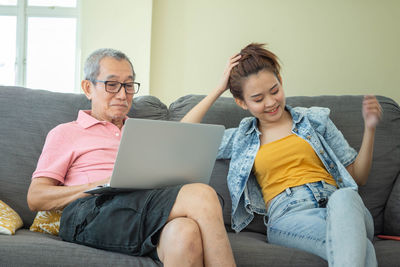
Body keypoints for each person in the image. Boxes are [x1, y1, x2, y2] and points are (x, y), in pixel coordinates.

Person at [27, 48, 236, 267]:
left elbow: (183, 132)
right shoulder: (67, 132)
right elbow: (36, 197)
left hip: (141, 208)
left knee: (184, 233)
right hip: (91, 211)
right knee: (202, 196)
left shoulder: (140, 132)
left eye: (128, 85)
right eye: (111, 84)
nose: (122, 94)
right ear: (88, 88)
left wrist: (220, 88)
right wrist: (101, 184)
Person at [181, 43, 382, 266]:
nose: (271, 102)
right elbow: (183, 136)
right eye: (258, 99)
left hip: (342, 207)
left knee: (345, 196)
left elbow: (358, 177)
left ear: (281, 82)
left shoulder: (315, 119)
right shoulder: (241, 137)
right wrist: (219, 89)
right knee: (362, 249)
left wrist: (370, 129)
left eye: (275, 90)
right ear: (241, 102)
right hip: (290, 217)